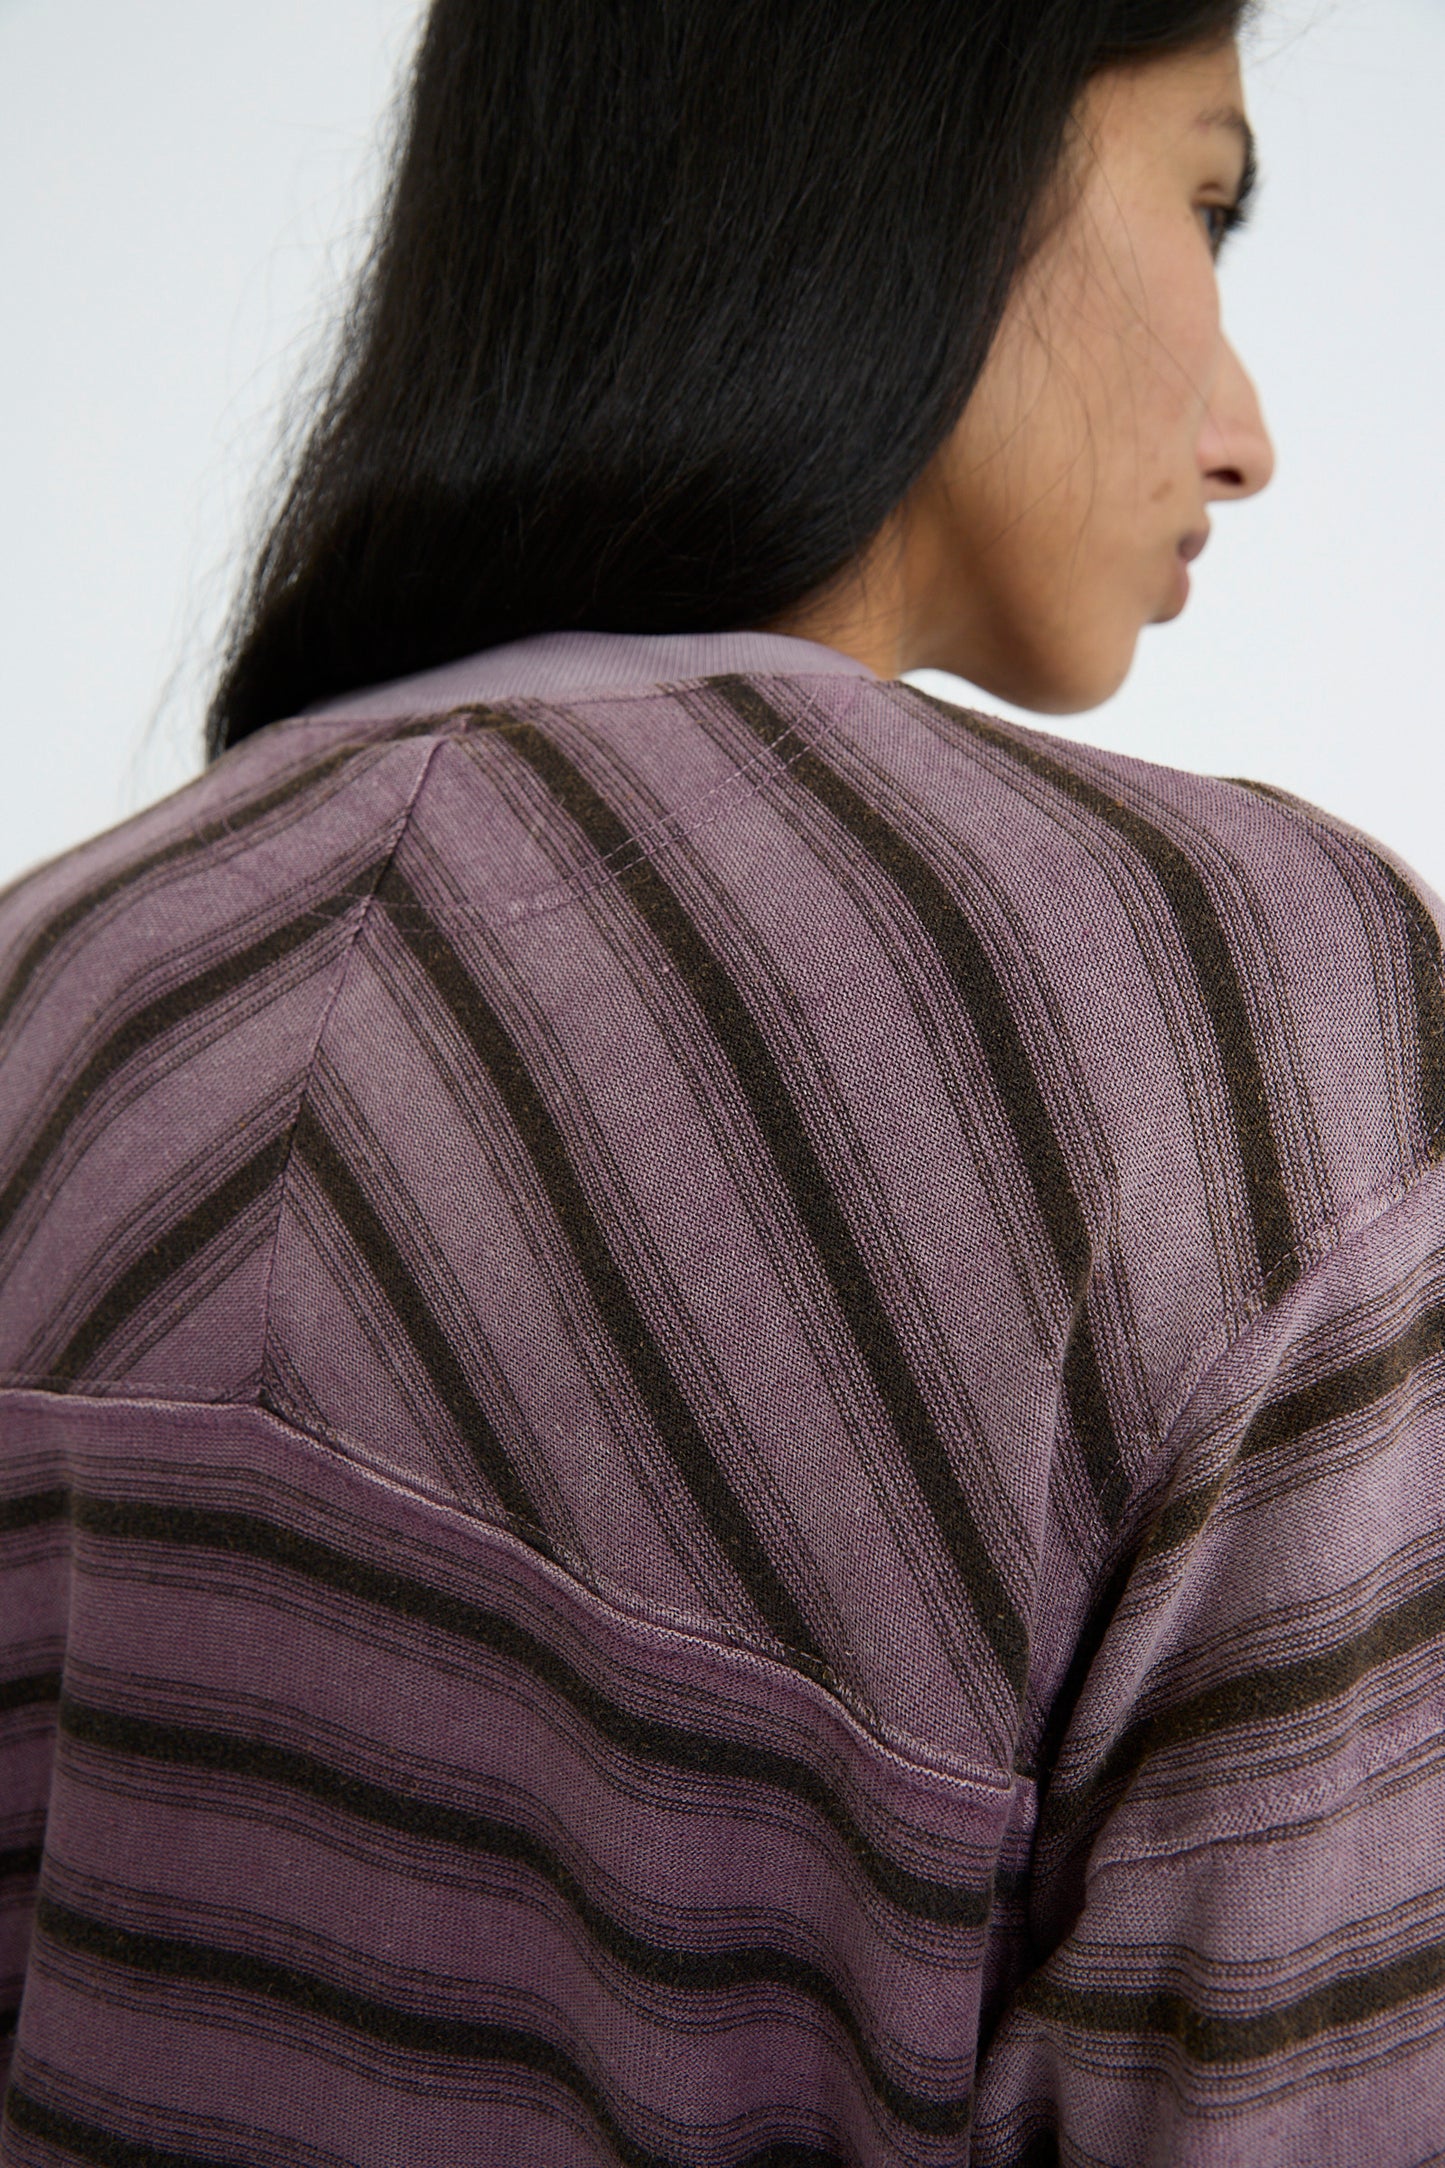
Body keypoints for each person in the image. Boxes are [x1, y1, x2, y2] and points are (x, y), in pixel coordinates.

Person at [1, 1, 1441, 2161]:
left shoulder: (57, 986)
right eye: (1206, 198)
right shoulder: (1239, 1017)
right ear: (911, 173)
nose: (1246, 436)